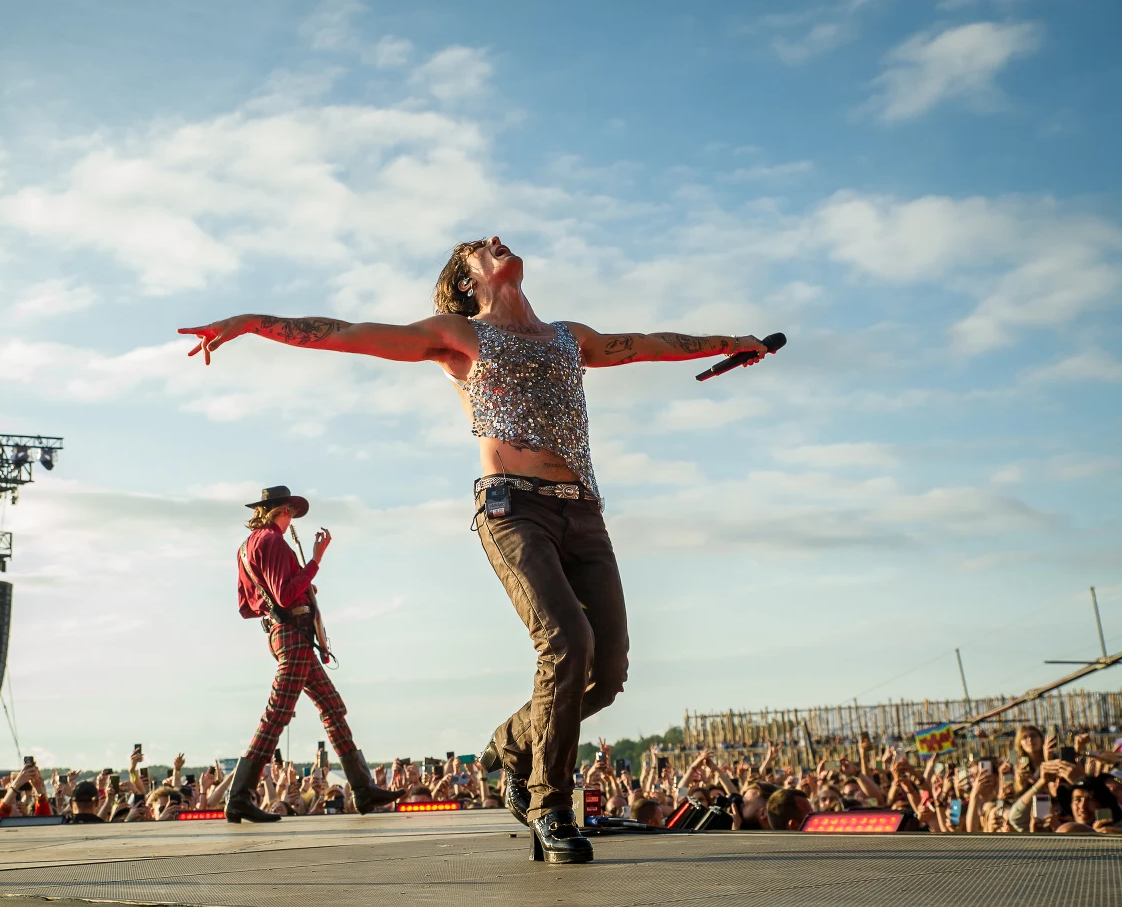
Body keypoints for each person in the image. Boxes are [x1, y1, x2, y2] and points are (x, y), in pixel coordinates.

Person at [181, 236, 773, 863]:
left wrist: (730, 341)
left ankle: (508, 745)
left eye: (497, 240)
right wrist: (248, 323)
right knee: (567, 643)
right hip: (512, 509)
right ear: (467, 282)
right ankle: (549, 806)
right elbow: (346, 331)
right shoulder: (458, 335)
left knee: (606, 674)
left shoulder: (569, 336)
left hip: (584, 513)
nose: (496, 243)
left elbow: (653, 343)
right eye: (477, 249)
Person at [222, 486, 403, 823]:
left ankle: (363, 790)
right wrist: (315, 561)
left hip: (285, 635)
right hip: (293, 636)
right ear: (281, 510)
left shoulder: (245, 548)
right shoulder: (273, 541)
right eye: (290, 510)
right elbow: (286, 593)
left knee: (332, 707)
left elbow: (247, 607)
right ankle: (239, 798)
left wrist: (299, 584)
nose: (293, 516)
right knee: (276, 716)